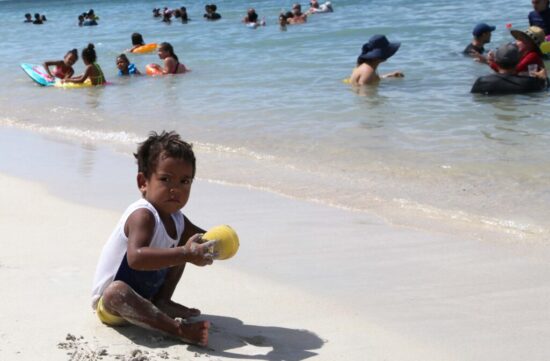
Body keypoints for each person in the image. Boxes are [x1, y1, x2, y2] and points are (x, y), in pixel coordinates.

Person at [91, 131, 212, 347]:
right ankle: (178, 330)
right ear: (143, 182)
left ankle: (161, 301)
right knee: (116, 291)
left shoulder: (177, 218)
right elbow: (136, 258)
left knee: (189, 243)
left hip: (145, 296)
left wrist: (217, 245)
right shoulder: (143, 215)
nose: (176, 189)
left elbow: (205, 239)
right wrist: (186, 253)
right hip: (113, 305)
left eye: (185, 181)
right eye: (165, 179)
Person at [471, 43, 547, 94]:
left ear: (496, 61)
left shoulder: (482, 82)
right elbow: (544, 93)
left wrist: (488, 61)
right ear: (518, 62)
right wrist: (544, 79)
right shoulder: (529, 83)